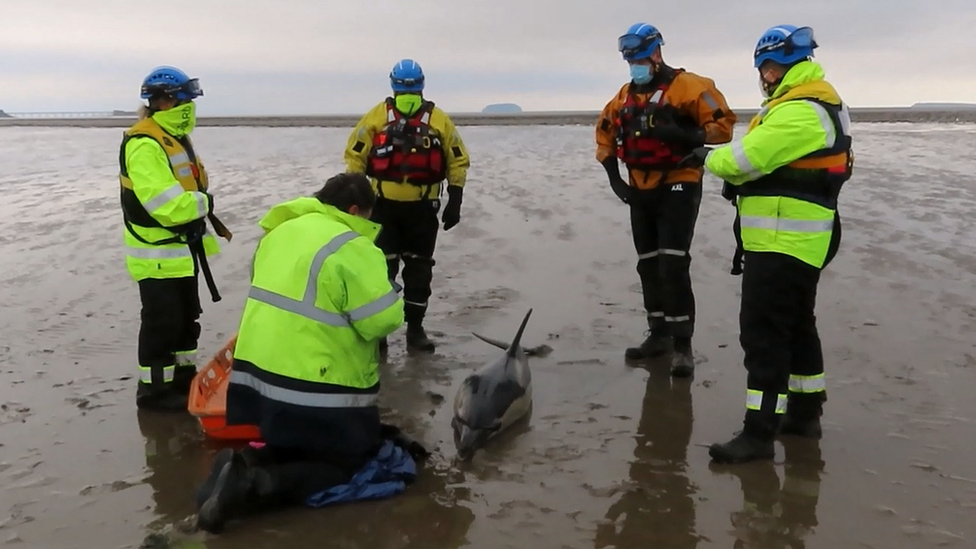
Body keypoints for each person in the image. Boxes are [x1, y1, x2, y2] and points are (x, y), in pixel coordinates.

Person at [195, 173, 428, 533]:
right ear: (355, 210)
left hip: (254, 381)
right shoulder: (354, 246)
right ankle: (250, 487)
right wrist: (389, 289)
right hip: (312, 387)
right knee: (341, 466)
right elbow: (382, 322)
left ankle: (246, 461)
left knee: (292, 444)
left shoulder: (280, 232)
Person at [683, 25, 853, 463]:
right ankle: (805, 414)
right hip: (796, 238)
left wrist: (706, 155)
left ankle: (759, 434)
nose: (766, 74)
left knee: (763, 336)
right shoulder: (812, 103)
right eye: (764, 67)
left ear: (786, 64)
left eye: (770, 66)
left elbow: (745, 159)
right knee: (798, 327)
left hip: (786, 240)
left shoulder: (803, 110)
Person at [595, 23, 737, 377]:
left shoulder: (691, 87)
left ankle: (683, 346)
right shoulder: (624, 97)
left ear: (657, 53)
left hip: (679, 182)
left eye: (641, 57)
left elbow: (724, 127)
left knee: (673, 263)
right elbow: (604, 135)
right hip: (639, 188)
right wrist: (616, 181)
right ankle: (657, 335)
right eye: (630, 59)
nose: (635, 64)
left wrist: (684, 133)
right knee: (647, 263)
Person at [119, 65, 232, 412]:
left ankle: (182, 380)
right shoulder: (144, 143)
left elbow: (195, 181)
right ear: (164, 102)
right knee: (161, 325)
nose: (190, 107)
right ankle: (154, 393)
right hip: (156, 254)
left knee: (186, 319)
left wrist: (199, 204)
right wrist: (204, 203)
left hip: (181, 250)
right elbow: (166, 205)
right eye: (185, 100)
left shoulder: (175, 136)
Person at [344, 58, 471, 353]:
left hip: (397, 210)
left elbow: (354, 156)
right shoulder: (438, 119)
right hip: (398, 209)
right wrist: (455, 197)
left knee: (383, 272)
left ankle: (394, 333)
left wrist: (353, 196)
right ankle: (410, 332)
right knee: (415, 270)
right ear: (422, 83)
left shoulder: (376, 117)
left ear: (393, 83)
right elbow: (458, 159)